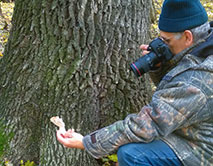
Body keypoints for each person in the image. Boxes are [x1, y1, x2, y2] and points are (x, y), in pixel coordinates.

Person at [56, 0, 213, 165]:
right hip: (193, 130)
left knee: (132, 155)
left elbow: (148, 124)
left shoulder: (198, 81)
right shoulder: (203, 46)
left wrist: (87, 142)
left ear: (188, 36)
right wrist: (161, 66)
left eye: (167, 41)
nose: (163, 45)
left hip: (203, 149)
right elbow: (177, 92)